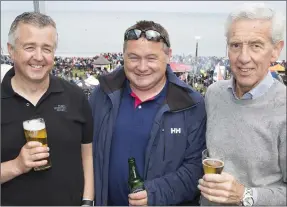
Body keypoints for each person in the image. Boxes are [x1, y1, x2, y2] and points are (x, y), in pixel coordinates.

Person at [89, 20, 206, 206]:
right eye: (134, 57)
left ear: (168, 56)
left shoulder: (191, 104)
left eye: (151, 58)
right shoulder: (102, 95)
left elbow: (196, 170)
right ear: (123, 56)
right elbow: (85, 151)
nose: (142, 67)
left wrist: (154, 194)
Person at [1, 12, 94, 206]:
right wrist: (16, 166)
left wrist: (87, 200)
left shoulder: (75, 96)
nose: (38, 57)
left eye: (47, 48)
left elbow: (87, 154)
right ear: (11, 50)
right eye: (29, 47)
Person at [198, 3, 286, 206]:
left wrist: (245, 195)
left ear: (275, 51)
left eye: (256, 45)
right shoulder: (214, 94)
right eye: (235, 45)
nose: (243, 58)